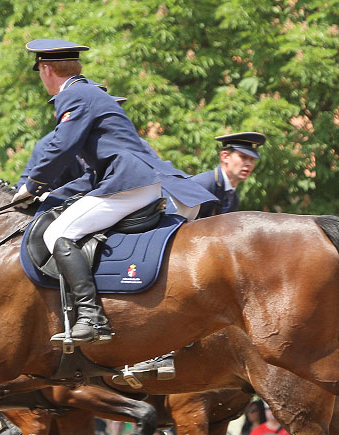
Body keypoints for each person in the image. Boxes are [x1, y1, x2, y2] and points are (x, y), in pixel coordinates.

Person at [15, 38, 216, 345]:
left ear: (45, 69)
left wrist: (32, 185)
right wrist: (48, 196)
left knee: (57, 234)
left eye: (40, 72)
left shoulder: (76, 94)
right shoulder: (89, 93)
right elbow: (91, 176)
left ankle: (91, 317)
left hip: (132, 182)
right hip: (151, 183)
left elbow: (61, 147)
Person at [183, 132, 266, 218]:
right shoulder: (203, 185)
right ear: (225, 156)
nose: (249, 164)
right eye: (243, 157)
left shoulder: (234, 198)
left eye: (252, 159)